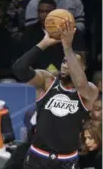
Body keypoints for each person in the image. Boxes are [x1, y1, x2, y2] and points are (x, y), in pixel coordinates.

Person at [12, 19, 98, 169]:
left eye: (72, 63)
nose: (66, 65)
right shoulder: (47, 81)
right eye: (64, 61)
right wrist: (44, 44)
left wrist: (67, 48)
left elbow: (80, 84)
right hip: (37, 157)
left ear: (83, 69)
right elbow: (19, 69)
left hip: (66, 160)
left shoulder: (89, 90)